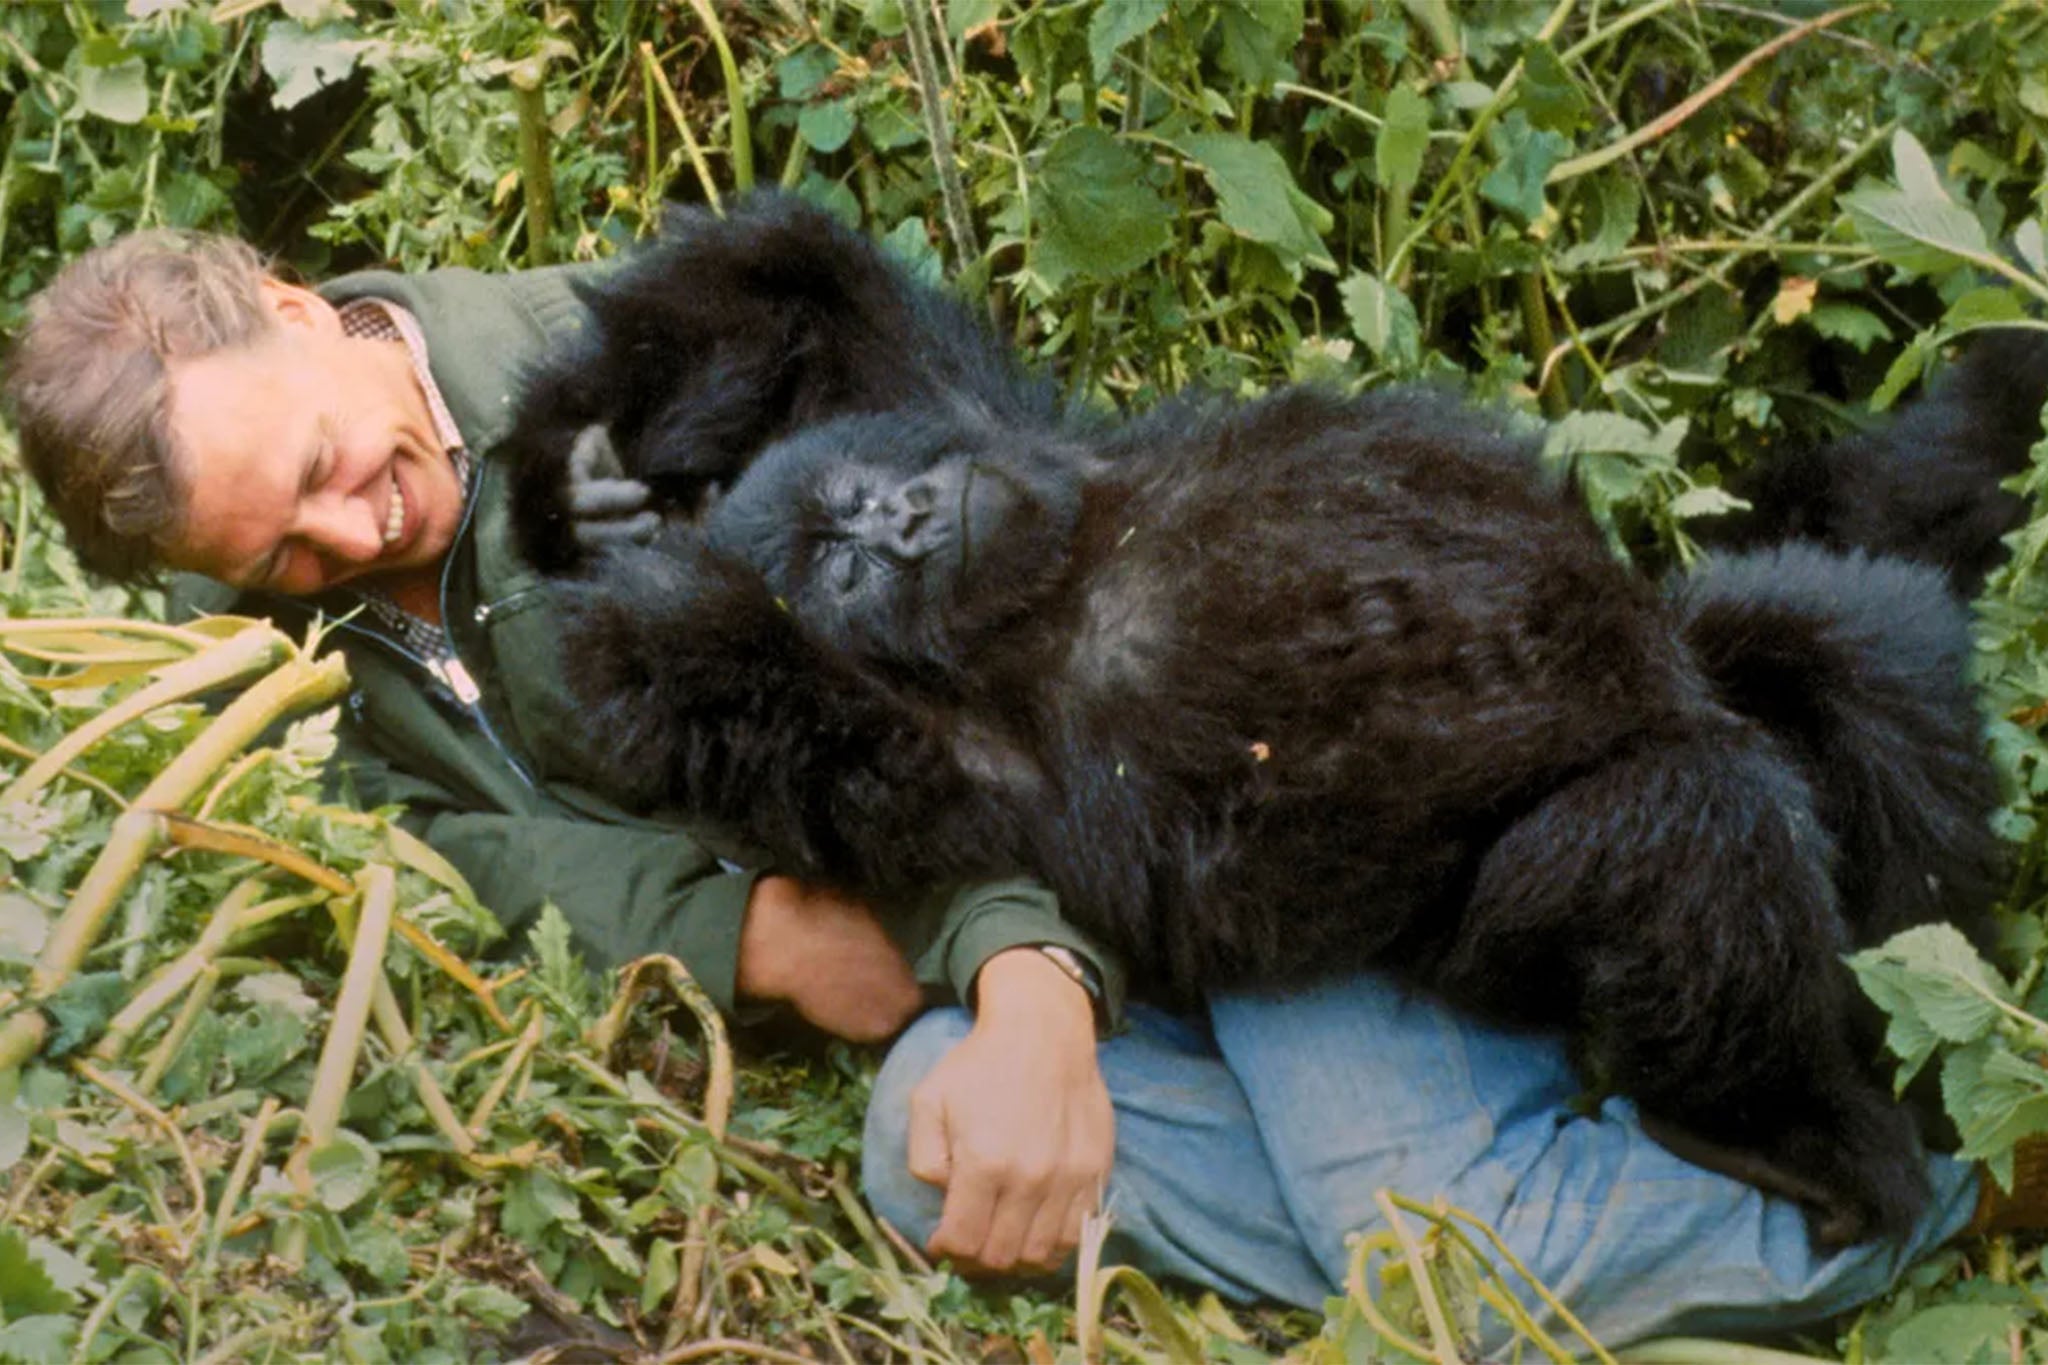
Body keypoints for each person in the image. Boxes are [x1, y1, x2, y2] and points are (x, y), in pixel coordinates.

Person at [0, 227, 2009, 1354]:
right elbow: (509, 847)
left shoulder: (663, 362)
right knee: (918, 1152)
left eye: (328, 462)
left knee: (1423, 1246)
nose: (354, 526)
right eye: (282, 552)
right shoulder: (365, 665)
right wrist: (751, 929)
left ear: (290, 300)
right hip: (1099, 884)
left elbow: (1002, 663)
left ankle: (1892, 1200)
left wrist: (1036, 987)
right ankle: (1550, 1138)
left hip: (1254, 819)